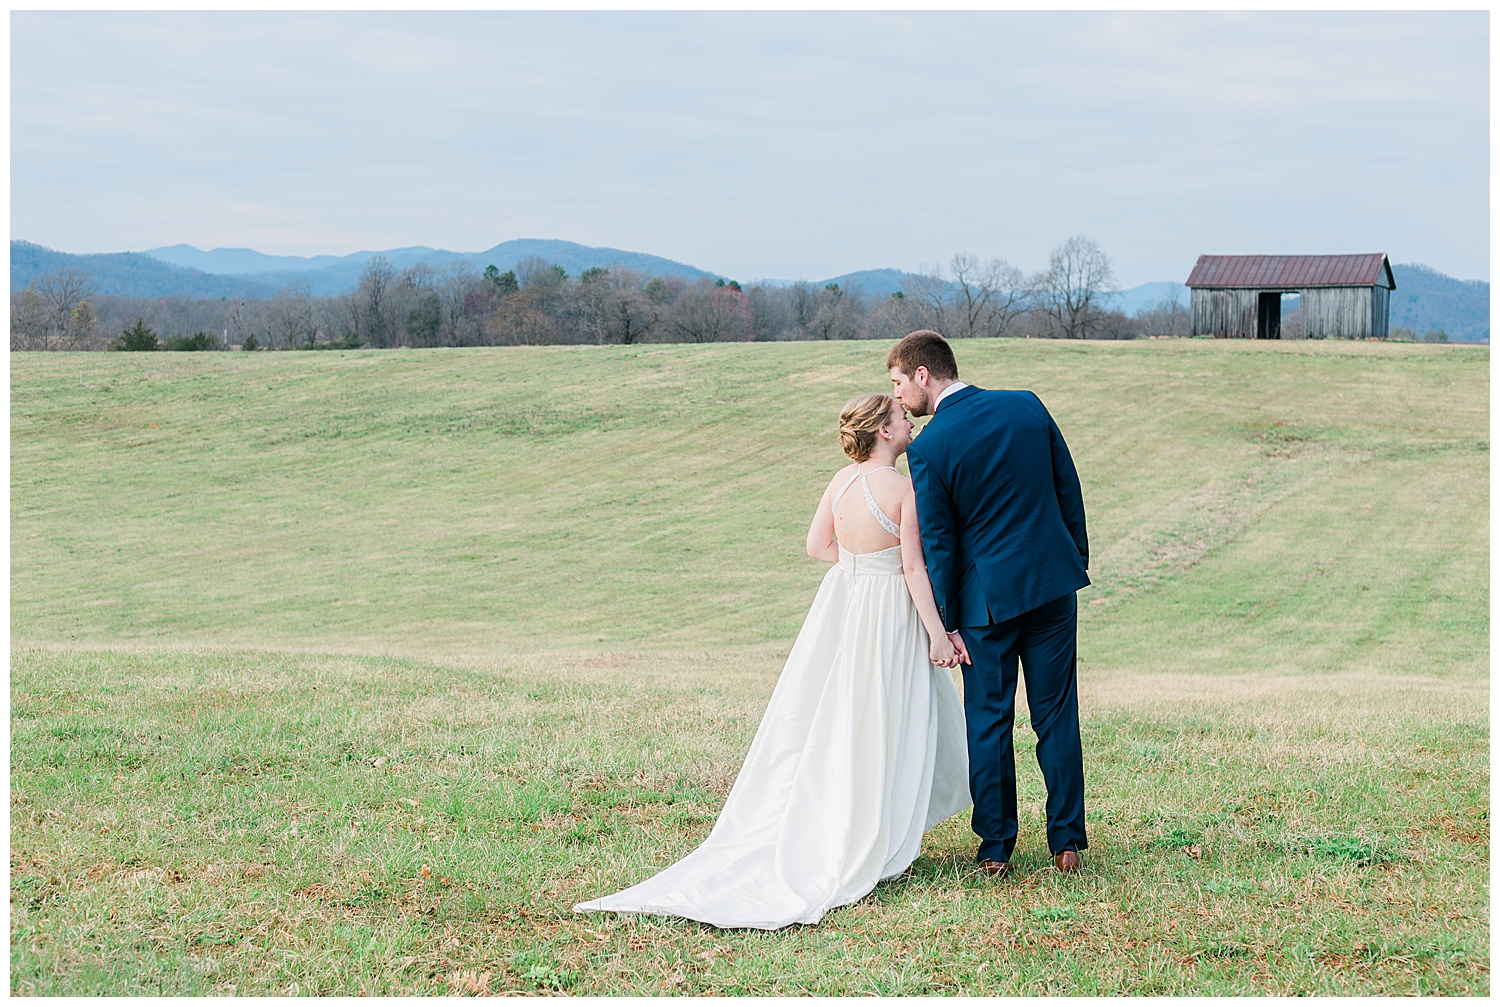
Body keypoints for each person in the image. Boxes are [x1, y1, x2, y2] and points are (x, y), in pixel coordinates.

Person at [573, 394, 971, 929]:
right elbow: (915, 569)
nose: (910, 421)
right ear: (882, 431)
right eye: (901, 417)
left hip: (848, 601)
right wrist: (939, 635)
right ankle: (876, 825)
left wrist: (858, 563)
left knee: (844, 710)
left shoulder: (840, 482)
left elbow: (816, 546)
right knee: (885, 713)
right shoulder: (902, 489)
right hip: (889, 612)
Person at [888, 330, 1090, 877]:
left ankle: (996, 848)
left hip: (986, 606)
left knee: (989, 722)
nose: (900, 396)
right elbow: (1067, 487)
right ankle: (1067, 842)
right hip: (1052, 586)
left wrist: (949, 622)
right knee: (1056, 715)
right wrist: (1076, 560)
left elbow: (941, 542)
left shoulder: (928, 448)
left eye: (899, 383)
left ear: (924, 375)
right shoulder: (1026, 405)